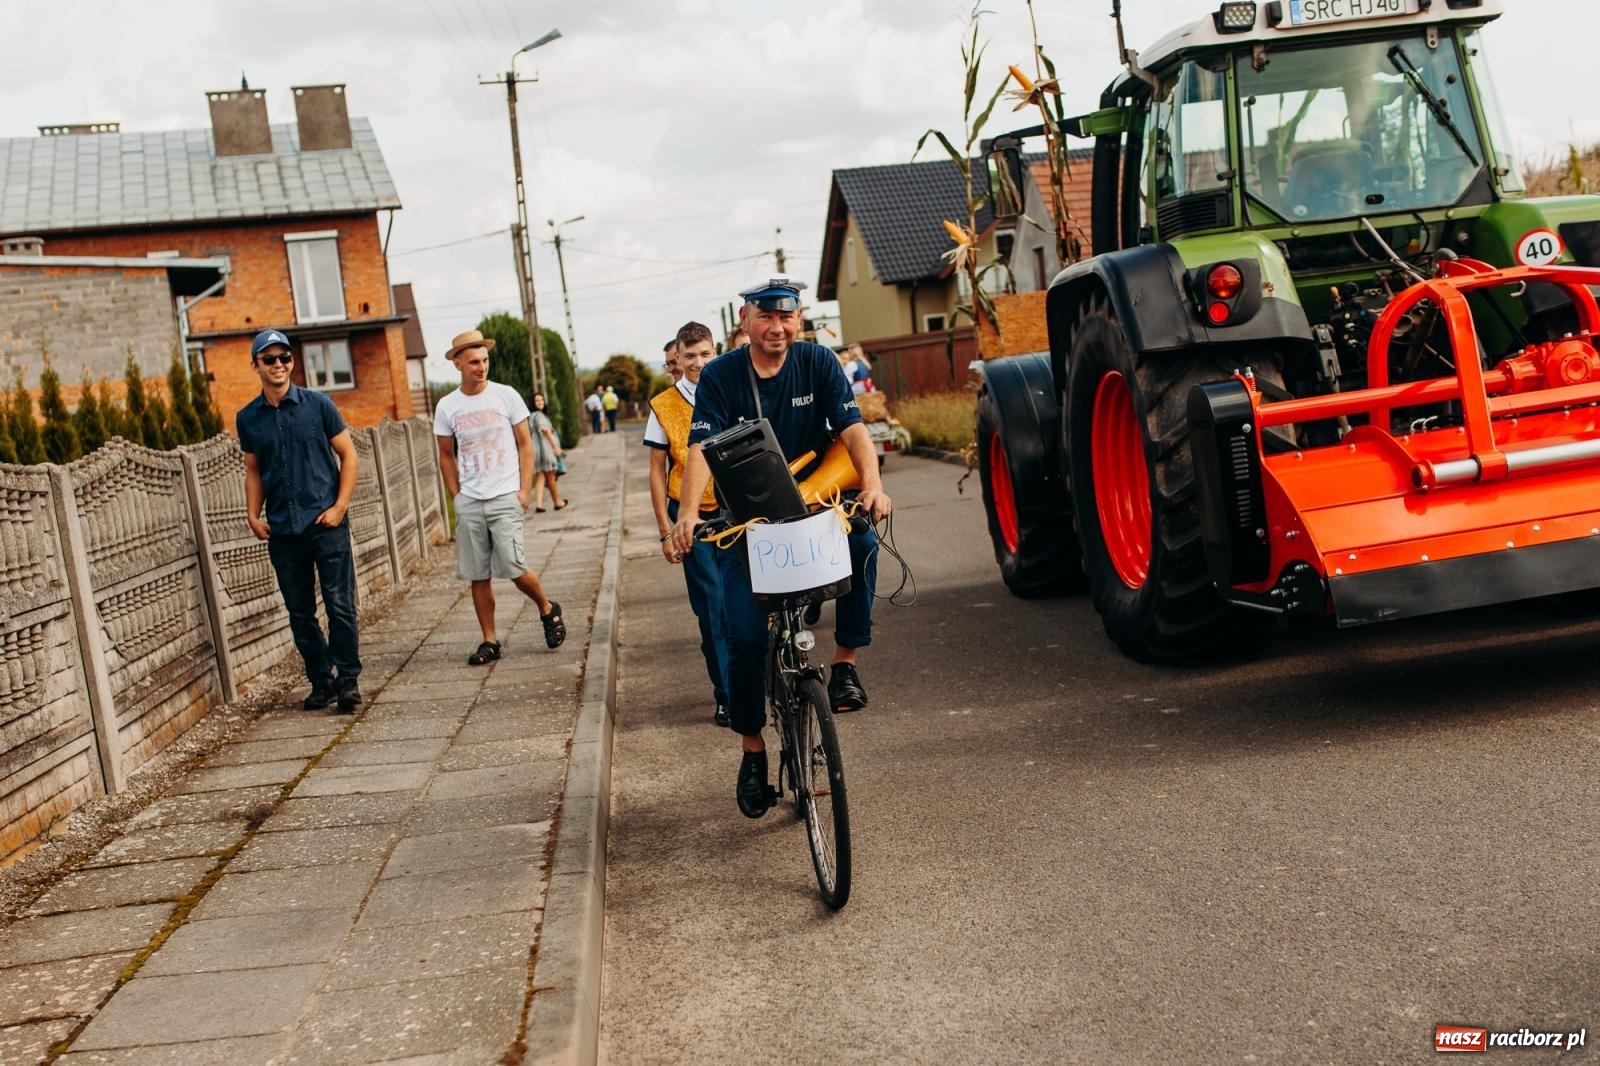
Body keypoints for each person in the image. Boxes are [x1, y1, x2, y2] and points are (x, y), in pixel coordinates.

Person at [672, 277, 892, 819]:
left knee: (864, 541)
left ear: (799, 320)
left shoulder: (818, 362)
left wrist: (873, 484)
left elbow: (853, 428)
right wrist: (684, 513)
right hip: (745, 522)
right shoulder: (721, 375)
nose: (777, 328)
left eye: (787, 318)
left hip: (814, 507)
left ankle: (844, 663)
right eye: (765, 318)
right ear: (745, 319)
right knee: (744, 638)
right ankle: (752, 749)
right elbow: (699, 446)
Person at [237, 329, 363, 712]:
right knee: (301, 613)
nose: (279, 365)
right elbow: (253, 470)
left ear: (292, 361)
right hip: (283, 531)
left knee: (340, 605)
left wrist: (340, 506)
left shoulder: (318, 405)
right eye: (269, 359)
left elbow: (349, 456)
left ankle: (348, 679)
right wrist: (252, 515)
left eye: (285, 358)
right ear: (256, 365)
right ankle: (321, 680)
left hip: (326, 524)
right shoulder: (248, 419)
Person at [433, 329, 567, 665]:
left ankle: (547, 607)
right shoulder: (447, 406)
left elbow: (525, 444)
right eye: (474, 362)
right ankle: (489, 641)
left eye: (485, 360)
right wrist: (456, 497)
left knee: (513, 566)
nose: (481, 367)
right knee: (478, 574)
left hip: (505, 495)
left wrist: (523, 490)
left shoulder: (506, 396)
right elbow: (446, 455)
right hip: (471, 501)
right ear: (458, 364)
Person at [645, 321, 730, 728]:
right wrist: (666, 529)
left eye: (706, 354)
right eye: (690, 355)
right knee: (712, 609)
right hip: (689, 517)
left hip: (738, 509)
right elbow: (657, 472)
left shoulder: (732, 387)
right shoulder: (663, 404)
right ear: (676, 358)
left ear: (716, 353)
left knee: (752, 601)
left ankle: (759, 678)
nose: (699, 362)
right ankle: (726, 693)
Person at [529, 391, 567, 513]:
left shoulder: (531, 416)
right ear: (533, 403)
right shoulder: (540, 416)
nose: (540, 402)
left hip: (536, 452)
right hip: (545, 451)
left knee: (540, 477)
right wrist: (556, 447)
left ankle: (539, 505)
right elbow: (546, 431)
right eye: (537, 401)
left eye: (541, 400)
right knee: (551, 477)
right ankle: (557, 502)